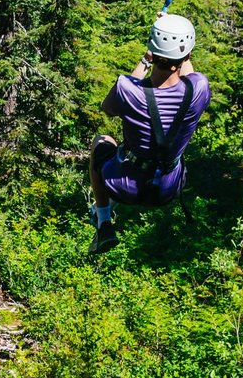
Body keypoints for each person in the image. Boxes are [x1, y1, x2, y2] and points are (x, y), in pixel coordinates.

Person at [88, 13, 211, 255]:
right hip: (167, 188)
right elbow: (188, 74)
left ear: (152, 52)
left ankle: (103, 222)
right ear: (186, 55)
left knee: (101, 141)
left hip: (124, 184)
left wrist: (145, 60)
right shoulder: (199, 89)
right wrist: (173, 34)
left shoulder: (128, 90)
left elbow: (108, 108)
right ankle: (108, 210)